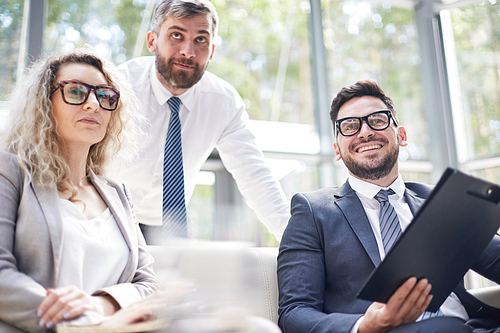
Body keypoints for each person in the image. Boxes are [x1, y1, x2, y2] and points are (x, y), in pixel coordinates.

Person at [277, 79, 500, 333]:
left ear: (401, 136)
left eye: (377, 120)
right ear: (337, 149)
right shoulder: (312, 211)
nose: (364, 132)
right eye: (350, 126)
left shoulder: (440, 201)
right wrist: (365, 326)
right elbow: (294, 312)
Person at [0, 49, 160, 332]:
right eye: (76, 92)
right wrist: (86, 323)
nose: (92, 104)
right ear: (44, 104)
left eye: (104, 96)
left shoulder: (118, 194)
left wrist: (100, 305)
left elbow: (148, 284)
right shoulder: (11, 172)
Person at [112, 0, 290, 243]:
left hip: (168, 227)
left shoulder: (223, 102)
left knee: (177, 281)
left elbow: (255, 175)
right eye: (177, 35)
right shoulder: (118, 87)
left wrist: (296, 243)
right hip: (108, 215)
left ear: (212, 52)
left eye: (201, 40)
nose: (188, 51)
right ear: (152, 41)